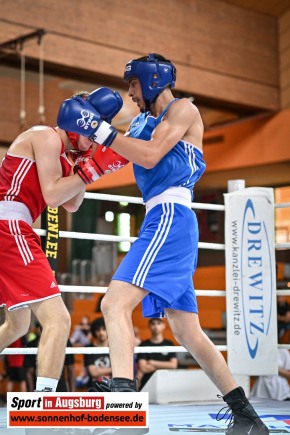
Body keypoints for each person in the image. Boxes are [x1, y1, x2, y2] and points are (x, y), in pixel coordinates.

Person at [57, 53, 269, 434]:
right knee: (187, 330)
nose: (130, 93)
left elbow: (153, 155)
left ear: (152, 79)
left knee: (114, 303)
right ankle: (247, 418)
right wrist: (83, 144)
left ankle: (124, 410)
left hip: (171, 216)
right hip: (164, 220)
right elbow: (115, 157)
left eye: (133, 84)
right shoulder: (139, 123)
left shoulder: (184, 110)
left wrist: (103, 132)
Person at [0, 86, 127, 393]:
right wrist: (91, 169)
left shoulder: (68, 155)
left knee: (17, 325)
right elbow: (53, 194)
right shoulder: (45, 136)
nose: (96, 140)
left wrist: (87, 166)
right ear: (81, 122)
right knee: (58, 319)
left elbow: (72, 204)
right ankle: (42, 406)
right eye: (94, 133)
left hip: (13, 226)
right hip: (8, 224)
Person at [25, 322, 75, 392]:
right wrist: (32, 397)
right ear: (40, 328)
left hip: (60, 390)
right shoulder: (32, 344)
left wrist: (72, 395)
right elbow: (29, 373)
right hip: (40, 389)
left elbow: (71, 370)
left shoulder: (65, 341)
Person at [137, 318, 177, 390]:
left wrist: (152, 362)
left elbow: (173, 365)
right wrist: (165, 365)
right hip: (147, 385)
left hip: (166, 384)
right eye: (153, 323)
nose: (156, 326)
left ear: (163, 326)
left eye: (158, 323)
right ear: (149, 326)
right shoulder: (143, 345)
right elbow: (143, 368)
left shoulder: (169, 344)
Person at [84, 317, 111, 389]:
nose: (101, 333)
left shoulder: (114, 348)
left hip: (112, 389)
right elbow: (93, 373)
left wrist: (99, 371)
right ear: (94, 332)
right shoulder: (88, 348)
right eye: (98, 330)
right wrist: (113, 369)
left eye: (104, 329)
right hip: (94, 389)